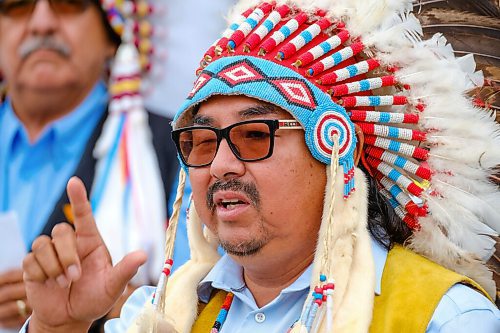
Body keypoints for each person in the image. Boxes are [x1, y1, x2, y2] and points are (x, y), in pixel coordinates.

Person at [20, 0, 500, 332]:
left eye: (254, 136)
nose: (221, 165)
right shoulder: (162, 314)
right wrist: (56, 326)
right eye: (201, 142)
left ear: (338, 152)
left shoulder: (445, 317)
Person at [0, 0, 184, 330]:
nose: (41, 24)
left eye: (68, 4)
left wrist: (111, 306)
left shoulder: (181, 149)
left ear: (113, 32)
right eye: (16, 6)